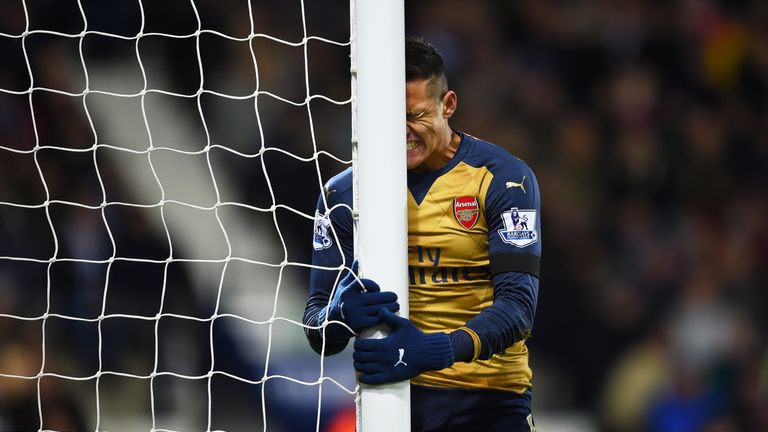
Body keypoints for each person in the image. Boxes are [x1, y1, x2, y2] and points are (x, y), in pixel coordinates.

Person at [303, 36, 541, 432]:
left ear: (448, 105)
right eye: (388, 116)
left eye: (414, 116)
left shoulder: (504, 179)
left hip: (491, 398)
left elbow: (519, 309)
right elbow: (315, 327)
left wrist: (436, 349)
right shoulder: (343, 194)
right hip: (393, 399)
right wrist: (340, 315)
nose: (402, 132)